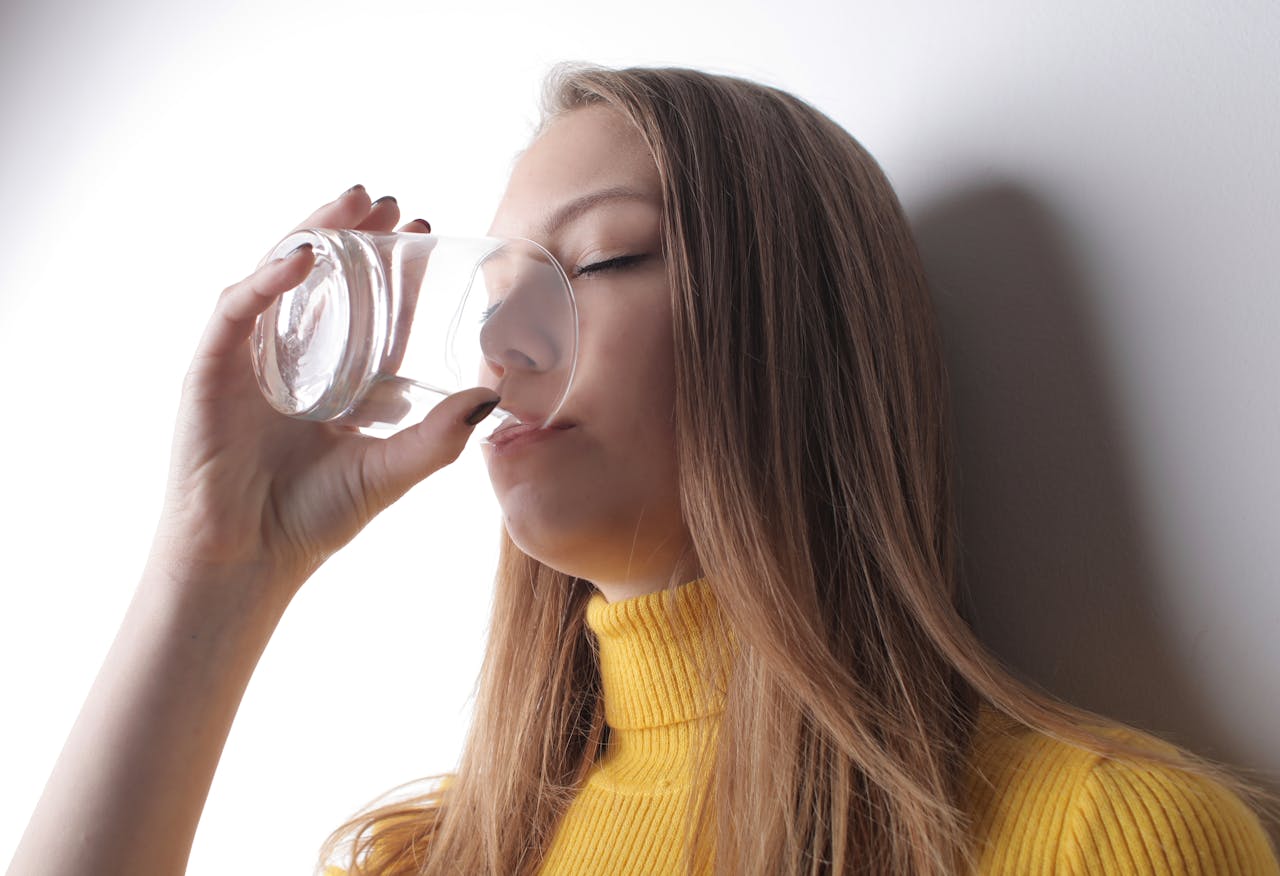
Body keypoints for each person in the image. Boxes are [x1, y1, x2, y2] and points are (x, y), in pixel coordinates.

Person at [7, 62, 1279, 876]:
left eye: (595, 262)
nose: (501, 343)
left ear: (795, 327)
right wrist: (216, 563)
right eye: (491, 292)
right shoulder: (427, 862)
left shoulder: (1099, 840)